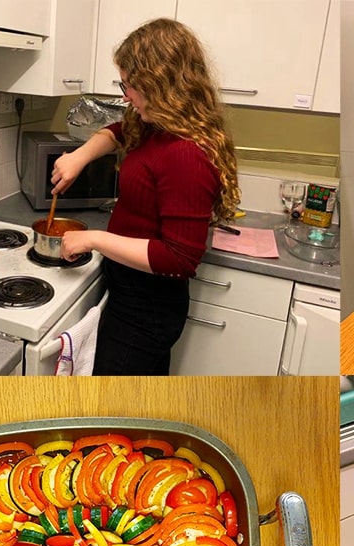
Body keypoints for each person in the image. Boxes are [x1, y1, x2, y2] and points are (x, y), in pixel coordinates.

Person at [51, 18, 240, 375]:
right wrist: (79, 156)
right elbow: (119, 130)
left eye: (129, 85)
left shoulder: (186, 153)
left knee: (112, 409)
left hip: (147, 309)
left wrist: (94, 238)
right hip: (130, 293)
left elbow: (180, 258)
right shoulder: (159, 125)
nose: (125, 95)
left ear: (159, 83)